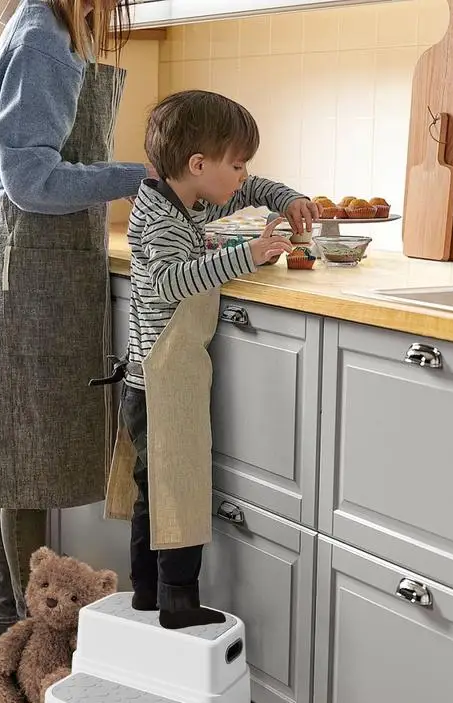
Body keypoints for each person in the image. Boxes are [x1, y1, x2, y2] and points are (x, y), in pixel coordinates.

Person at [0, 0, 154, 643]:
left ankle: (14, 630)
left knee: (14, 453)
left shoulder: (38, 27)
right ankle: (25, 631)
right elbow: (31, 178)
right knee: (21, 455)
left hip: (37, 260)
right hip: (35, 268)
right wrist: (142, 177)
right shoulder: (45, 42)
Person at [113, 90, 319, 629]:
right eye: (236, 162)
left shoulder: (189, 197)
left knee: (155, 490)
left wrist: (289, 197)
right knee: (178, 484)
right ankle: (177, 602)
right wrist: (245, 254)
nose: (244, 174)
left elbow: (251, 190)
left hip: (155, 374)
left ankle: (147, 593)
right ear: (199, 165)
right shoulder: (161, 219)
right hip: (161, 379)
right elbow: (171, 281)